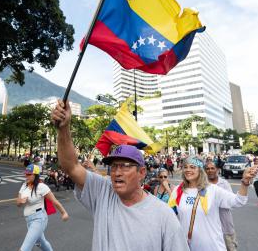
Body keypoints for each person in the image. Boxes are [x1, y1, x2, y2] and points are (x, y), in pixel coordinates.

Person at [51, 100, 189, 250]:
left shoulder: (164, 216)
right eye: (114, 166)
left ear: (141, 173)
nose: (117, 172)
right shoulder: (103, 192)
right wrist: (63, 129)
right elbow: (71, 166)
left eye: (125, 166)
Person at [170, 156, 255, 251]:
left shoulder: (212, 189)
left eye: (192, 167)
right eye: (185, 167)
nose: (188, 170)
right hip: (186, 246)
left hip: (212, 247)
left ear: (200, 170)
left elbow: (239, 201)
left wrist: (245, 182)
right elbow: (169, 215)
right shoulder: (178, 191)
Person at [16, 164, 69, 251]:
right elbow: (18, 203)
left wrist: (64, 213)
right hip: (28, 220)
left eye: (29, 174)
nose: (26, 176)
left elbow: (54, 201)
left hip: (39, 219)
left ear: (36, 175)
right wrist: (20, 202)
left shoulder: (41, 187)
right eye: (26, 174)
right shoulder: (24, 185)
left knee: (24, 248)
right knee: (40, 242)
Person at [205, 161, 238, 251]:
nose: (210, 170)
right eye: (207, 169)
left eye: (212, 168)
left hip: (225, 226)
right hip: (209, 228)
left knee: (231, 248)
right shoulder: (202, 185)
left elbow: (231, 202)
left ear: (217, 170)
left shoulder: (224, 183)